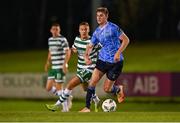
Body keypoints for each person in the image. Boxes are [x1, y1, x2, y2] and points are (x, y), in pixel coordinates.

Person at [80, 7, 130, 112]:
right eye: (97, 16)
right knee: (92, 82)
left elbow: (126, 40)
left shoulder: (113, 28)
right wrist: (86, 56)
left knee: (107, 89)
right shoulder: (97, 32)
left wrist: (118, 53)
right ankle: (87, 108)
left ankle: (117, 89)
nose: (98, 18)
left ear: (106, 16)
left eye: (101, 15)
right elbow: (90, 46)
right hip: (102, 60)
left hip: (116, 63)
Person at [45, 22, 100, 112]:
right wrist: (74, 49)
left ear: (89, 30)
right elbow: (74, 48)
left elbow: (102, 50)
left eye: (86, 29)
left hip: (90, 68)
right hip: (80, 67)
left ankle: (57, 105)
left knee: (70, 84)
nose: (84, 31)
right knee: (86, 88)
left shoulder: (93, 41)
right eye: (82, 29)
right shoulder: (77, 39)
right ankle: (96, 100)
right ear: (79, 30)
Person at [44, 23, 71, 112]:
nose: (55, 31)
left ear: (59, 30)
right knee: (48, 88)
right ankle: (66, 96)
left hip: (60, 66)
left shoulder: (62, 39)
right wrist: (48, 62)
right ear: (51, 30)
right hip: (53, 67)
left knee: (59, 86)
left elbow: (68, 52)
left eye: (57, 29)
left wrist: (65, 64)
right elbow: (50, 51)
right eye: (54, 29)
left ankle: (65, 109)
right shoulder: (50, 40)